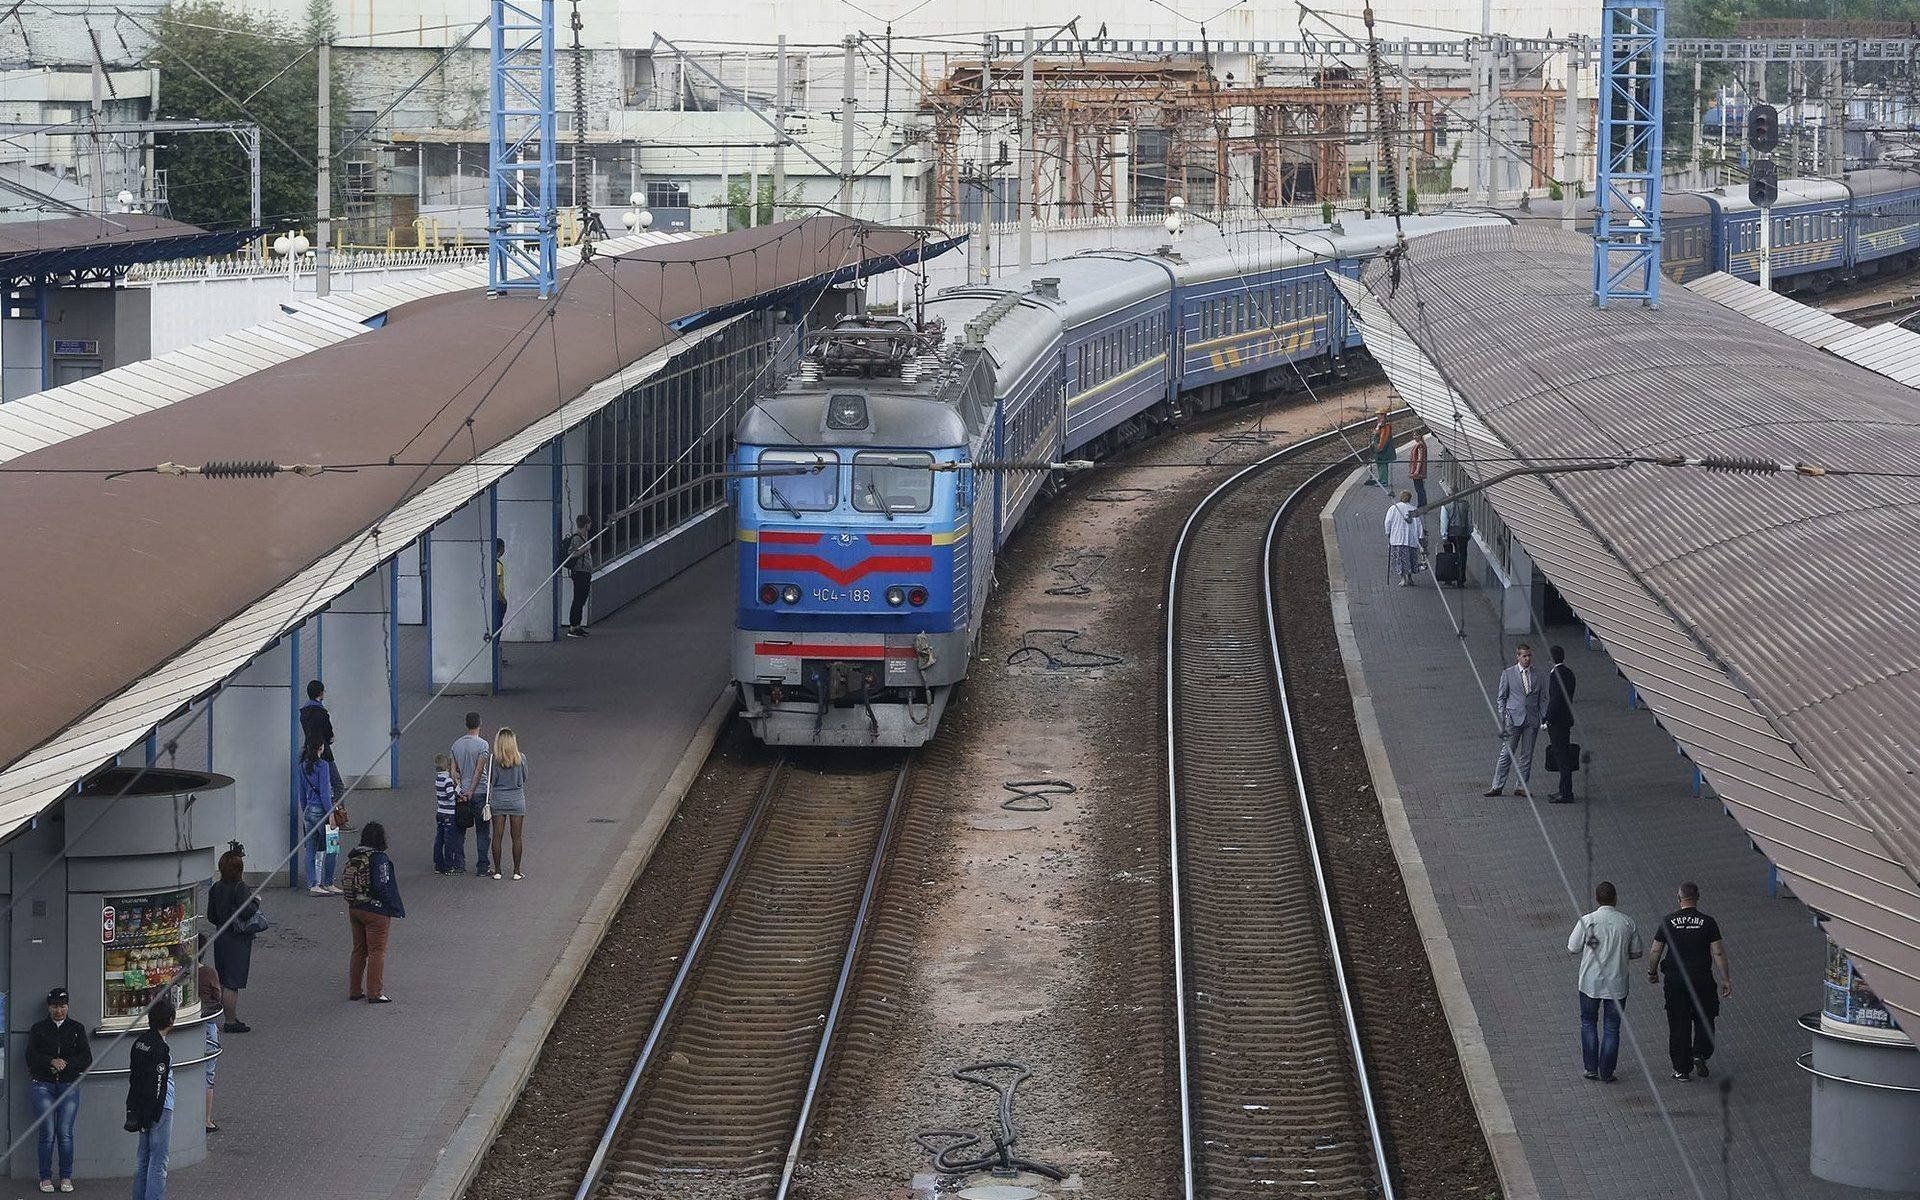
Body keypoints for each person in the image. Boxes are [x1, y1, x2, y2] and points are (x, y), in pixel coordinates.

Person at [1648, 882, 1733, 1081]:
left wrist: (1652, 971)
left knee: (1678, 1022)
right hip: (1701, 978)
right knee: (1705, 1016)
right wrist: (1726, 979)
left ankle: (1681, 1068)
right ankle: (1700, 1053)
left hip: (1676, 980)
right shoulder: (1708, 922)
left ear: (1679, 899)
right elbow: (1718, 951)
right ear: (1697, 898)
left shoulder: (1668, 922)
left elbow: (1655, 950)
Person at [1568, 880, 1643, 1082]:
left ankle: (1591, 1068)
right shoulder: (1627, 922)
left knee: (1588, 1022)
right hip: (1617, 984)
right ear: (1615, 898)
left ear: (1597, 898)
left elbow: (1572, 947)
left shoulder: (1587, 920)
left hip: (1589, 983)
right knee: (1612, 1027)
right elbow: (1637, 952)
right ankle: (1607, 1072)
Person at [26, 986, 91, 1192]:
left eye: (62, 1006)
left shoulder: (77, 1028)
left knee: (65, 1133)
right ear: (48, 1007)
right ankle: (45, 1177)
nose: (59, 1011)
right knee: (47, 1133)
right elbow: (30, 1057)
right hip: (43, 1084)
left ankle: (66, 1177)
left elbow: (86, 1058)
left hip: (68, 1084)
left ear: (68, 1006)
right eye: (55, 1006)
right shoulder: (38, 1029)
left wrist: (66, 1064)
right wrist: (50, 1061)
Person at [344, 821, 406, 1003]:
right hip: (376, 912)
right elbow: (382, 885)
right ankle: (375, 992)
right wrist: (390, 906)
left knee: (358, 950)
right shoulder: (379, 858)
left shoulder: (355, 855)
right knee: (377, 951)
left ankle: (355, 990)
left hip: (355, 907)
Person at [204, 843, 258, 1033]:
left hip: (221, 936)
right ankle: (231, 1020)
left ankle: (225, 1016)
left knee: (224, 977)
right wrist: (256, 902)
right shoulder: (240, 887)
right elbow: (247, 912)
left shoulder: (216, 887)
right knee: (233, 982)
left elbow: (211, 916)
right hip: (236, 939)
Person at [125, 998, 175, 1200]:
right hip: (159, 1109)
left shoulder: (140, 1043)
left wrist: (135, 1107)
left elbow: (134, 1077)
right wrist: (154, 1112)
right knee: (159, 1162)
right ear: (171, 1020)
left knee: (142, 1159)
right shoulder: (160, 1049)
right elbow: (158, 1082)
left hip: (141, 1106)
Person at [1485, 643, 1546, 797]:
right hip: (1513, 719)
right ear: (1517, 656)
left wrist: (1541, 716)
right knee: (1507, 753)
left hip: (1531, 720)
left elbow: (1543, 698)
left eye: (1529, 656)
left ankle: (1521, 787)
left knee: (1527, 755)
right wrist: (1504, 716)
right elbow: (1501, 698)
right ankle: (1497, 786)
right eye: (1524, 656)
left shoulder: (1538, 674)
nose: (1527, 659)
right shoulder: (1508, 674)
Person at [299, 735, 340, 895]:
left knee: (311, 849)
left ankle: (313, 885)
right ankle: (328, 883)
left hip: (309, 811)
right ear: (320, 748)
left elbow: (302, 794)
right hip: (322, 811)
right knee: (333, 847)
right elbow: (324, 793)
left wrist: (306, 811)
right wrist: (330, 814)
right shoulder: (323, 766)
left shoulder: (302, 766)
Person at [452, 712, 491, 876]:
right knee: (482, 832)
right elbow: (479, 770)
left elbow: (453, 772)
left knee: (460, 830)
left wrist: (461, 789)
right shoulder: (483, 745)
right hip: (480, 792)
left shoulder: (456, 745)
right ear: (480, 724)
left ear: (466, 724)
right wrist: (472, 790)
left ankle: (459, 865)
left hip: (461, 795)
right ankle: (482, 867)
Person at [488, 727, 528, 881]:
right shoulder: (521, 758)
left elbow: (491, 780)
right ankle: (516, 871)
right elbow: (524, 778)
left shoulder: (494, 760)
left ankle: (497, 870)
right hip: (517, 799)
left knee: (497, 836)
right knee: (516, 837)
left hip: (498, 799)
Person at [1543, 646, 1579, 804]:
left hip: (1557, 722)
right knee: (1563, 753)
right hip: (1566, 719)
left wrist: (1547, 719)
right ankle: (1564, 790)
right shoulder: (1569, 673)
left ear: (1551, 659)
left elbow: (1555, 700)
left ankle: (1565, 793)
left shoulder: (1555, 675)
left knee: (1561, 756)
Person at [298, 679, 344, 794]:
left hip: (308, 752)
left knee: (314, 786)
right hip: (323, 752)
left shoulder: (303, 713)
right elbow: (330, 736)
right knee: (337, 785)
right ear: (320, 693)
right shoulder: (322, 713)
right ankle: (336, 811)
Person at [195, 936, 221, 1133]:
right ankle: (206, 1119)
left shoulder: (180, 973)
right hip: (207, 1023)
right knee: (207, 1074)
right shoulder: (209, 973)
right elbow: (217, 996)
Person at [564, 514, 595, 638]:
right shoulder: (577, 538)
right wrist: (585, 548)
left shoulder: (583, 537)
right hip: (580, 572)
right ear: (586, 524)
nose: (590, 525)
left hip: (585, 572)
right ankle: (573, 627)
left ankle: (577, 625)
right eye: (589, 523)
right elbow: (571, 554)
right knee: (578, 599)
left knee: (582, 599)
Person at [1383, 490, 1421, 587]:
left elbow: (1388, 522)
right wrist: (1420, 537)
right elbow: (1419, 525)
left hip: (1397, 538)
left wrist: (1388, 533)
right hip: (1410, 539)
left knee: (1399, 559)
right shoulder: (1413, 509)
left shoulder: (1394, 508)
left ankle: (1403, 579)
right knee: (1410, 558)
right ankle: (1410, 577)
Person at [433, 753, 460, 875]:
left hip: (440, 812)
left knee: (439, 839)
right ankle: (449, 866)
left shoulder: (438, 779)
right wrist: (458, 788)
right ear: (448, 766)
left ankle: (438, 865)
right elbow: (451, 796)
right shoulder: (447, 780)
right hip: (449, 814)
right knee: (449, 841)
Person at [1368, 410, 1396, 488]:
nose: (1377, 416)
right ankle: (1381, 479)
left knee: (1383, 464)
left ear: (1383, 415)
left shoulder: (1385, 426)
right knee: (1379, 464)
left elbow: (1384, 438)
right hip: (1378, 448)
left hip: (1383, 449)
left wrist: (1379, 447)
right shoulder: (1380, 424)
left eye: (1379, 414)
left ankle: (1384, 481)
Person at [492, 537, 509, 645]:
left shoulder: (492, 562)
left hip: (496, 601)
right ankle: (496, 648)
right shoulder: (498, 565)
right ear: (501, 549)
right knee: (498, 626)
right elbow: (496, 584)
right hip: (499, 601)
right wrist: (502, 599)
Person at [1407, 434, 1429, 508]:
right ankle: (1423, 504)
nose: (1414, 437)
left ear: (1420, 436)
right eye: (1413, 435)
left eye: (1416, 435)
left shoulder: (1420, 445)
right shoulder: (1421, 444)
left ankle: (1421, 505)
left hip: (1418, 471)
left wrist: (1417, 470)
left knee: (1419, 489)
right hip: (1418, 470)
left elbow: (1420, 458)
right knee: (1420, 488)